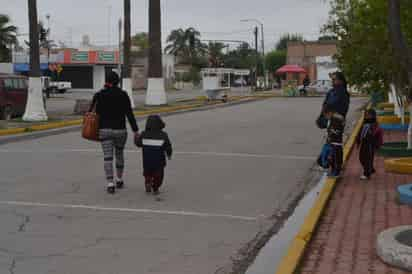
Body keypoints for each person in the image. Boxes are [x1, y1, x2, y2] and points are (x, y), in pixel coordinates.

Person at [90, 71, 139, 194]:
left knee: (108, 158)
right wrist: (135, 130)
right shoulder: (123, 95)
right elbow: (129, 114)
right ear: (118, 82)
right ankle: (119, 179)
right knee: (119, 154)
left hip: (104, 130)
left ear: (106, 81)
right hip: (120, 131)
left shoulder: (99, 95)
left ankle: (110, 183)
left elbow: (91, 111)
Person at [322, 71, 350, 177]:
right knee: (331, 143)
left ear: (341, 81)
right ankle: (333, 166)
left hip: (337, 121)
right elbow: (326, 103)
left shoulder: (342, 92)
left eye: (334, 79)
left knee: (336, 145)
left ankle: (336, 169)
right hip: (331, 120)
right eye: (332, 79)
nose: (332, 81)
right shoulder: (333, 91)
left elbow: (332, 103)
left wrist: (329, 110)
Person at [135, 115, 172, 195]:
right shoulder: (163, 135)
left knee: (147, 173)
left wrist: (136, 138)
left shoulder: (144, 134)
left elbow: (138, 144)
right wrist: (169, 154)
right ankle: (155, 187)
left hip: (147, 161)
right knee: (158, 176)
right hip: (159, 162)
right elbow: (168, 146)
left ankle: (148, 181)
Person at [357, 109, 383, 180]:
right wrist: (358, 141)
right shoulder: (365, 123)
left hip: (370, 144)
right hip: (364, 143)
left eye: (368, 115)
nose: (366, 116)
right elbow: (360, 133)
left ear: (373, 116)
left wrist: (377, 144)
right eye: (365, 115)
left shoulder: (374, 124)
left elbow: (377, 135)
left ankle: (366, 174)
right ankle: (370, 168)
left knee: (367, 158)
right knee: (361, 158)